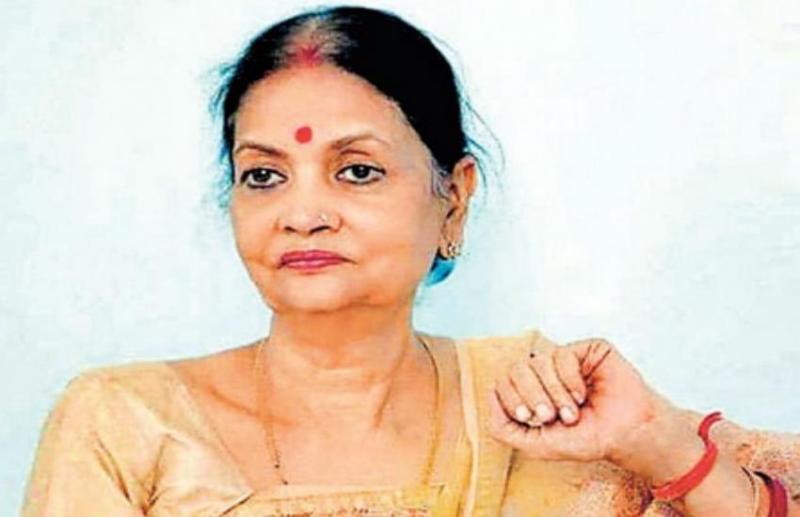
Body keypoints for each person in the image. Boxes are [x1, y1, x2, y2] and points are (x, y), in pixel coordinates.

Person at [21, 5, 799, 516]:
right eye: (263, 175)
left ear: (453, 199)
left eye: (357, 170)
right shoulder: (125, 422)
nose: (303, 212)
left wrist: (655, 442)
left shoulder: (540, 403)